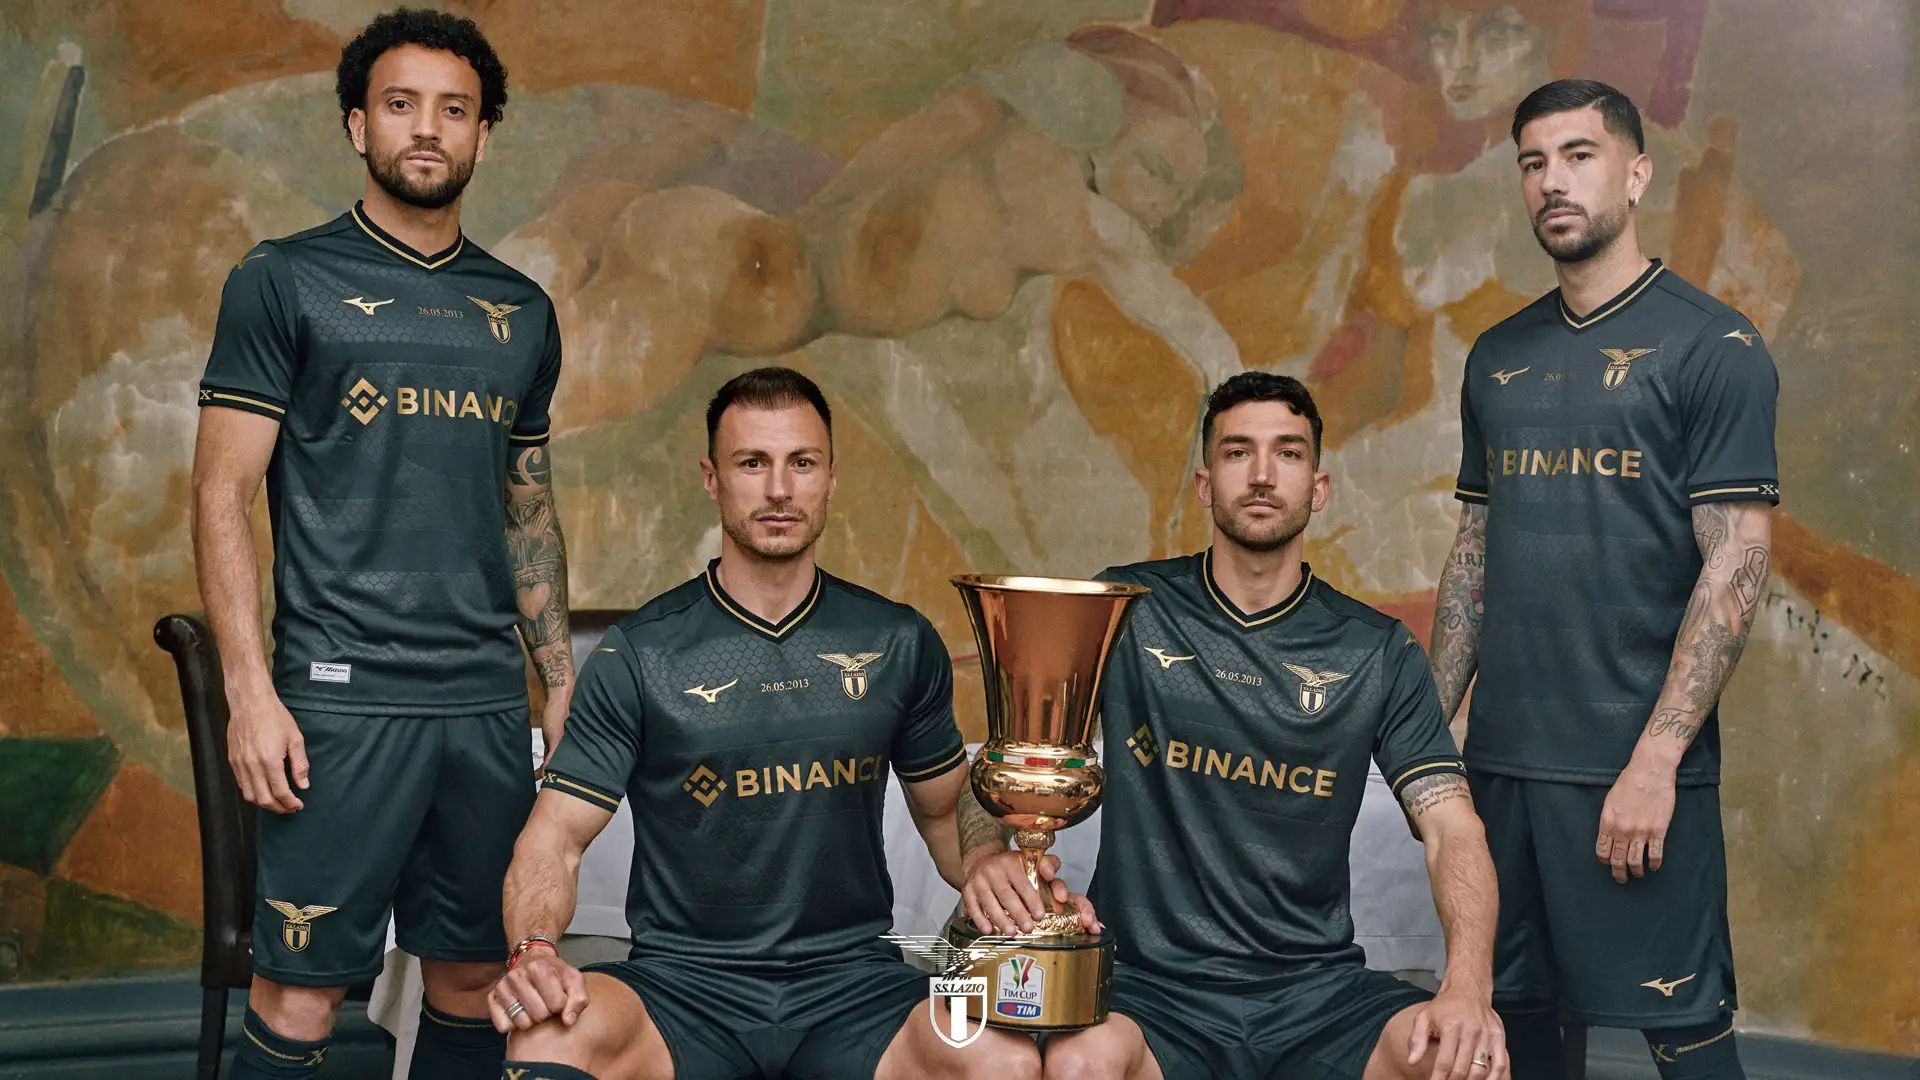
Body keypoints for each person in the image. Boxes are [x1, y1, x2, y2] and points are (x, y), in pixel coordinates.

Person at [189, 9, 569, 1077]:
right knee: (301, 994)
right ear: (358, 125)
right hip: (339, 701)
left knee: (475, 981)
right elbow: (221, 493)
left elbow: (528, 508)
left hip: (481, 704)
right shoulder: (282, 280)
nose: (427, 129)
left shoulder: (522, 311)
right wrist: (250, 692)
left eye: (455, 110)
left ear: (484, 134)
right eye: (401, 105)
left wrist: (556, 684)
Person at [490, 367, 1040, 1080]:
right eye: (753, 463)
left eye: (801, 463)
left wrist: (990, 862)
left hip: (854, 987)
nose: (779, 488)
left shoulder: (898, 642)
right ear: (712, 479)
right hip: (684, 988)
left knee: (1001, 1059)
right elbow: (554, 840)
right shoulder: (640, 654)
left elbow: (945, 812)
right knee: (546, 1040)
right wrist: (534, 950)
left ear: (831, 478)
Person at [960, 372, 1508, 1079]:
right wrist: (986, 857)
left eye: (1288, 453)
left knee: (1468, 1062)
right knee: (1078, 1064)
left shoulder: (1375, 651)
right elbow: (1011, 758)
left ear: (1318, 487)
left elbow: (1454, 830)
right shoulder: (1127, 607)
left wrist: (1468, 989)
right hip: (1151, 991)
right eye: (1237, 452)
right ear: (1204, 483)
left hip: (1316, 994)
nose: (1261, 475)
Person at [1429, 79, 1777, 1079]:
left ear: (1636, 174)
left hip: (1634, 774)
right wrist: (1422, 730)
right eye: (1534, 162)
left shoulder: (1714, 346)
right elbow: (1475, 553)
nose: (1553, 181)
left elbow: (1737, 563)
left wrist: (1656, 763)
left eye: (1579, 156)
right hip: (1502, 770)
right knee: (1515, 1036)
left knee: (1689, 1040)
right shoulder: (1497, 356)